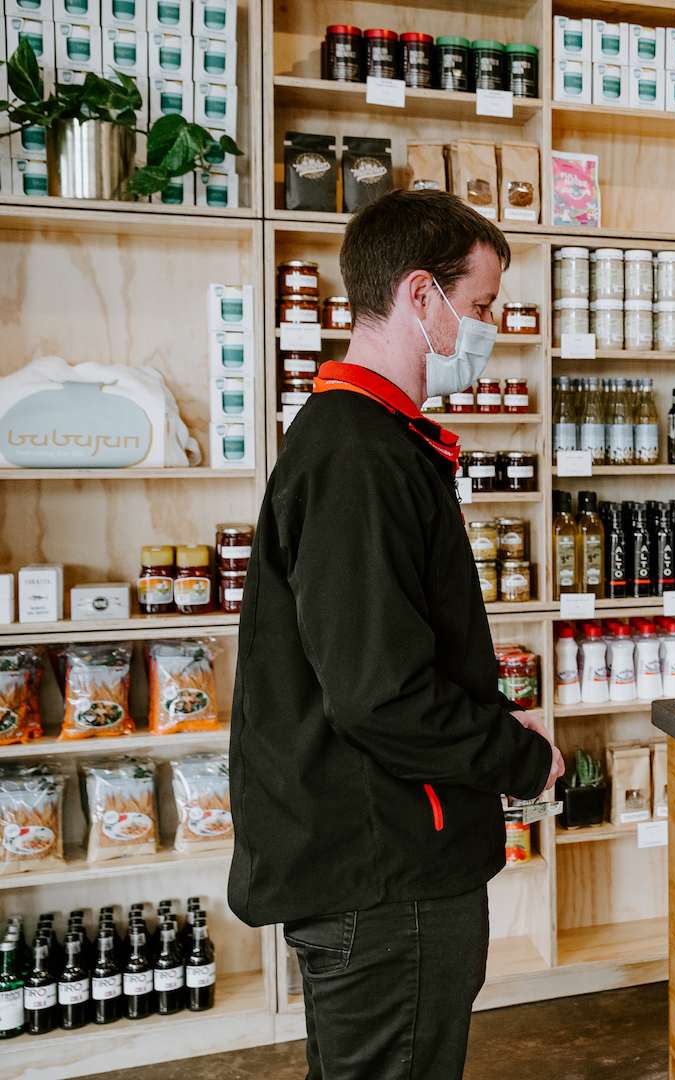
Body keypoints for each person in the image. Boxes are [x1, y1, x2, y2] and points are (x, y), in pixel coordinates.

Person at [227, 189, 565, 1079]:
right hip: (385, 877)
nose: (488, 328)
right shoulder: (359, 455)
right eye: (482, 306)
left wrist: (493, 724)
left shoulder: (368, 439)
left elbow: (385, 654)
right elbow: (380, 693)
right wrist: (519, 759)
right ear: (422, 296)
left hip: (379, 859)